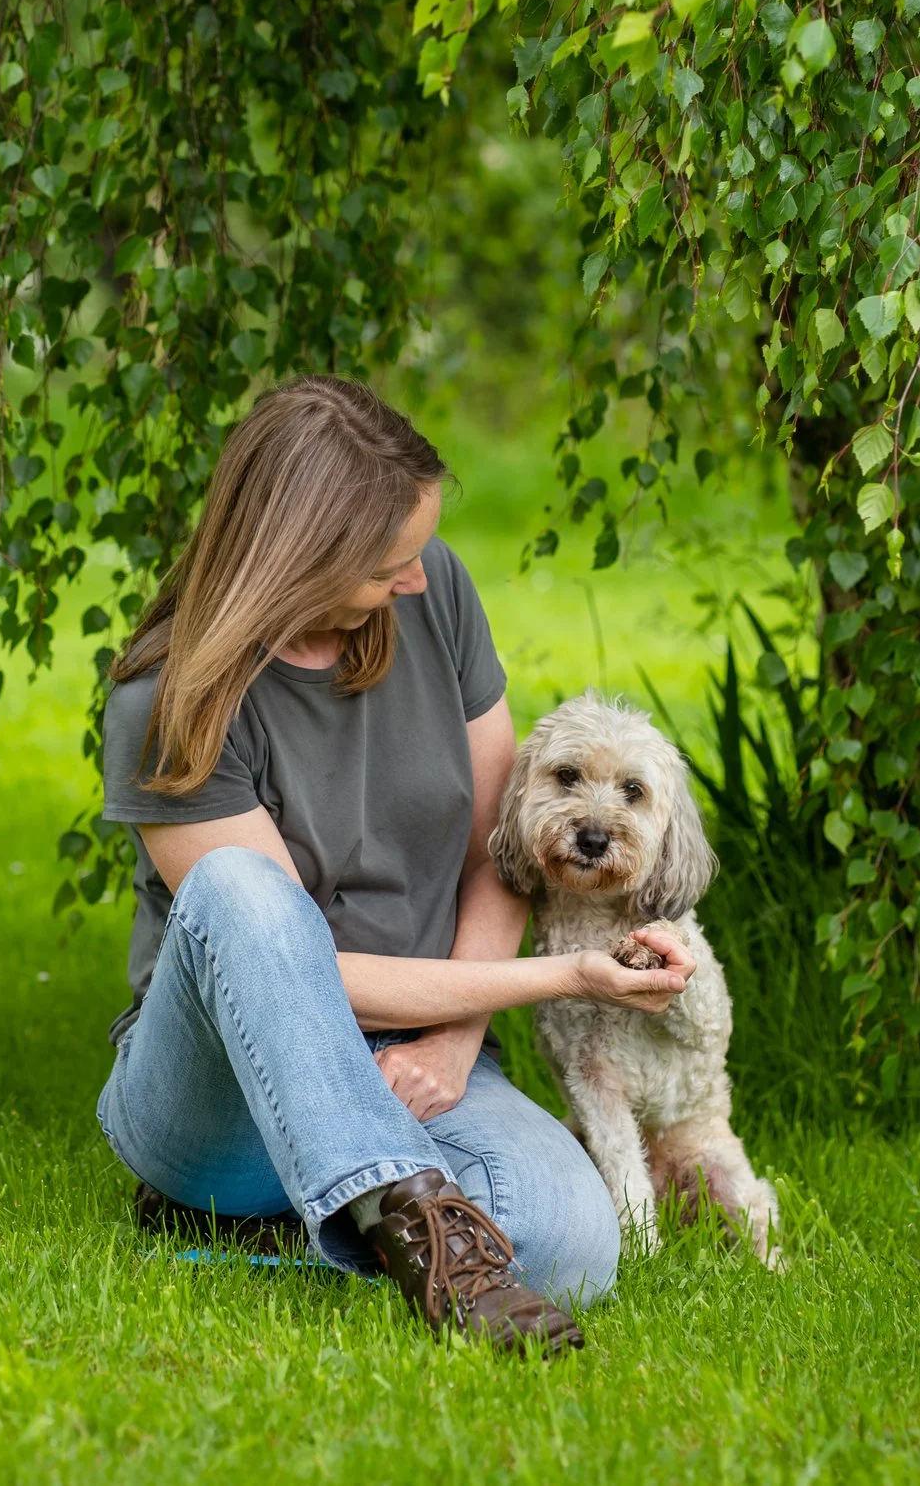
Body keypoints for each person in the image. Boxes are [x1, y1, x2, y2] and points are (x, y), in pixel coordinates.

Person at [94, 377, 694, 1356]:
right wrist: (569, 973)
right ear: (298, 560)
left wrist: (455, 1046)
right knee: (241, 891)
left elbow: (501, 846)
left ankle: (315, 1216)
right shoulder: (164, 702)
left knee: (574, 1245)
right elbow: (298, 975)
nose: (413, 582)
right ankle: (401, 1227)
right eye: (386, 566)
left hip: (415, 1057)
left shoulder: (436, 589)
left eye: (416, 555)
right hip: (219, 1099)